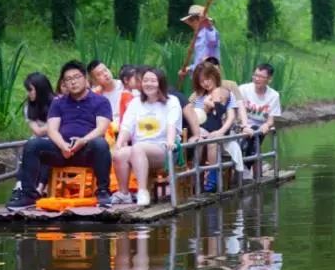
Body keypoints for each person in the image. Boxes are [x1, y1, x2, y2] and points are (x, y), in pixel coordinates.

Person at [7, 60, 113, 209]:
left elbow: (101, 129)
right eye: (68, 79)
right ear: (63, 82)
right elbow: (52, 130)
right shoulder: (58, 103)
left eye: (76, 77)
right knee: (33, 144)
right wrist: (63, 146)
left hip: (87, 151)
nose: (73, 82)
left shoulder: (101, 101)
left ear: (85, 78)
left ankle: (103, 192)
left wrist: (83, 140)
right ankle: (28, 194)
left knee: (100, 143)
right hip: (61, 152)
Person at [112, 66, 181, 205]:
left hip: (164, 148)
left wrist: (170, 141)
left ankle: (142, 192)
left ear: (161, 83)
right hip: (140, 149)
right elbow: (126, 127)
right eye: (145, 80)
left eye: (153, 80)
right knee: (119, 154)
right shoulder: (135, 102)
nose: (149, 84)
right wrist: (118, 144)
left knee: (137, 148)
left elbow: (171, 124)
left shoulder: (171, 101)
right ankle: (124, 193)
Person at [185, 62, 237, 193]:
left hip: (220, 128)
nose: (206, 83)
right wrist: (206, 107)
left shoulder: (227, 93)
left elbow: (230, 117)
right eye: (202, 81)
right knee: (200, 137)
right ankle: (196, 176)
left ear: (214, 76)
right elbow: (198, 117)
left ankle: (213, 177)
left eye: (208, 79)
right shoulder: (198, 96)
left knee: (212, 140)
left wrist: (221, 131)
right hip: (203, 127)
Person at [238, 63, 282, 175]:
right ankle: (250, 171)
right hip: (242, 124)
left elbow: (271, 120)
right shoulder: (244, 89)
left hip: (259, 127)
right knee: (251, 136)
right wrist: (245, 126)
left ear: (269, 79)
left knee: (256, 132)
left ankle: (247, 169)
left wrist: (267, 125)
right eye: (255, 75)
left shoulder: (274, 95)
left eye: (261, 77)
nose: (257, 79)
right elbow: (240, 110)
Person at [180, 5, 220, 71]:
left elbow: (213, 39)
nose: (190, 24)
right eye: (190, 20)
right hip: (200, 75)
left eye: (192, 20)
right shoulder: (197, 38)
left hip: (210, 75)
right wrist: (188, 69)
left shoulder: (208, 33)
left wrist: (207, 23)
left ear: (199, 20)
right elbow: (199, 63)